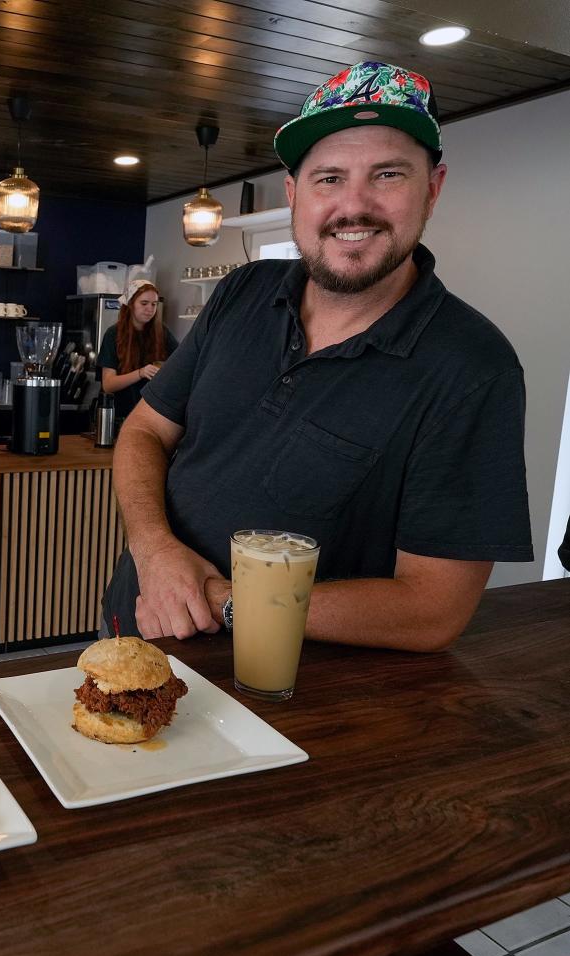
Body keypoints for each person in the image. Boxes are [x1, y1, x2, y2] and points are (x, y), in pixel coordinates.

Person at [101, 61, 532, 653]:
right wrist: (154, 552)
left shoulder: (472, 367)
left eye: (387, 174)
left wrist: (222, 599)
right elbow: (145, 429)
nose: (353, 206)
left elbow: (433, 609)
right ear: (294, 193)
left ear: (432, 189)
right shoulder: (242, 291)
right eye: (329, 177)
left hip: (296, 697)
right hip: (135, 624)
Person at [98, 281, 177, 422]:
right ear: (130, 304)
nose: (150, 309)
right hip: (119, 417)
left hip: (152, 416)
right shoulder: (113, 334)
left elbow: (181, 361)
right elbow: (108, 385)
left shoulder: (162, 333)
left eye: (154, 304)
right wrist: (141, 373)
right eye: (144, 303)